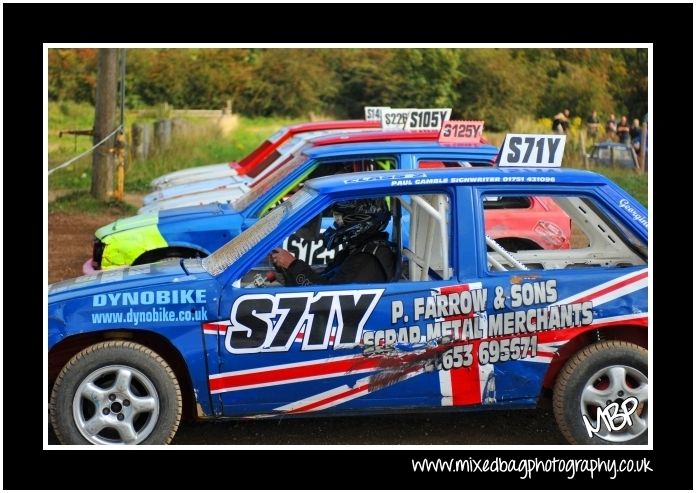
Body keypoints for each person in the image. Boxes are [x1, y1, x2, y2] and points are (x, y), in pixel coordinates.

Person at [270, 198, 396, 286]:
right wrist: (286, 273)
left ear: (359, 219)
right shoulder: (359, 249)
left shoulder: (366, 259)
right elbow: (326, 279)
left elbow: (326, 299)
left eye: (339, 219)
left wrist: (293, 265)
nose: (336, 224)